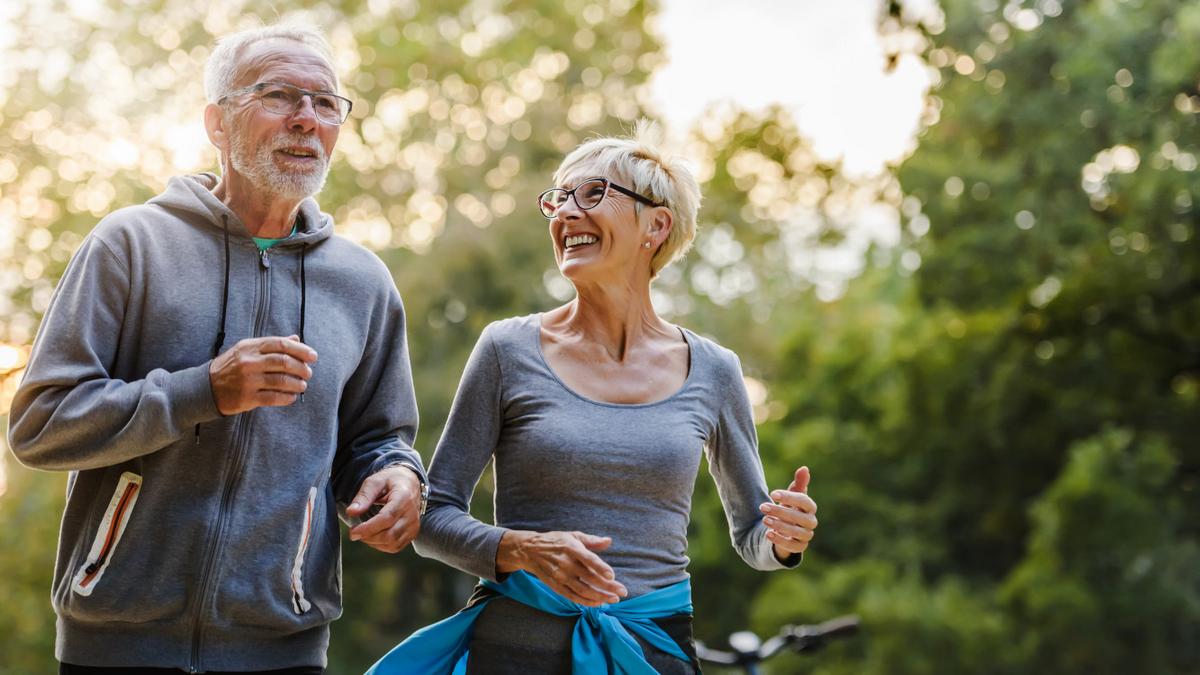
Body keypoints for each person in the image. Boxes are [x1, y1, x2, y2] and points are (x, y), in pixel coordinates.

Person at [7, 23, 428, 674]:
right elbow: (39, 426)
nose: (306, 119)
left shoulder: (363, 282)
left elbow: (379, 439)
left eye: (325, 103)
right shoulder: (131, 245)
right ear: (217, 123)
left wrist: (397, 476)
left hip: (285, 649)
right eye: (279, 95)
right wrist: (203, 391)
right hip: (116, 646)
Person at [367, 126, 819, 674]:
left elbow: (753, 539)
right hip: (515, 653)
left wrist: (783, 539)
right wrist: (525, 549)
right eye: (558, 200)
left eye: (593, 195)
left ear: (657, 224)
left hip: (653, 654)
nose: (565, 214)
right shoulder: (507, 349)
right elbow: (433, 519)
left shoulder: (716, 371)